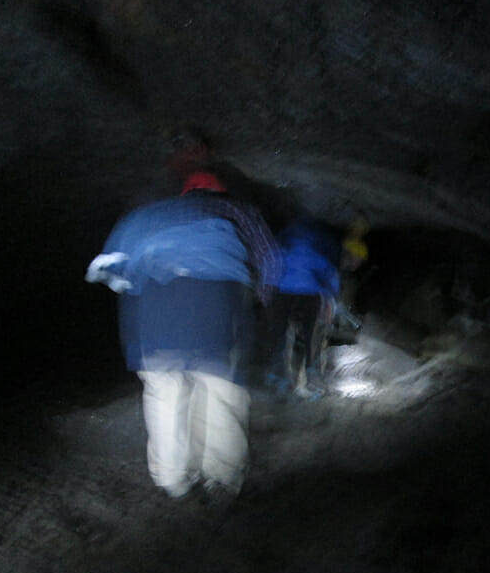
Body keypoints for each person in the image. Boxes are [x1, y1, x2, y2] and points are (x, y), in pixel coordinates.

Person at [85, 171, 281, 500]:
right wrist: (257, 299)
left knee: (164, 389)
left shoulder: (149, 215)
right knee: (218, 388)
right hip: (215, 299)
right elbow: (271, 260)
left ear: (184, 194)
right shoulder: (238, 210)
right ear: (220, 193)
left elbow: (107, 267)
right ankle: (219, 477)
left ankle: (172, 480)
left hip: (153, 307)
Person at [263, 218, 342, 399]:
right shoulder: (317, 246)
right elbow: (330, 273)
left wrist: (267, 292)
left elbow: (269, 265)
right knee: (310, 338)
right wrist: (332, 296)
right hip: (309, 295)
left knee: (281, 335)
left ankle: (276, 377)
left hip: (283, 294)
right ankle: (310, 379)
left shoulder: (283, 243)